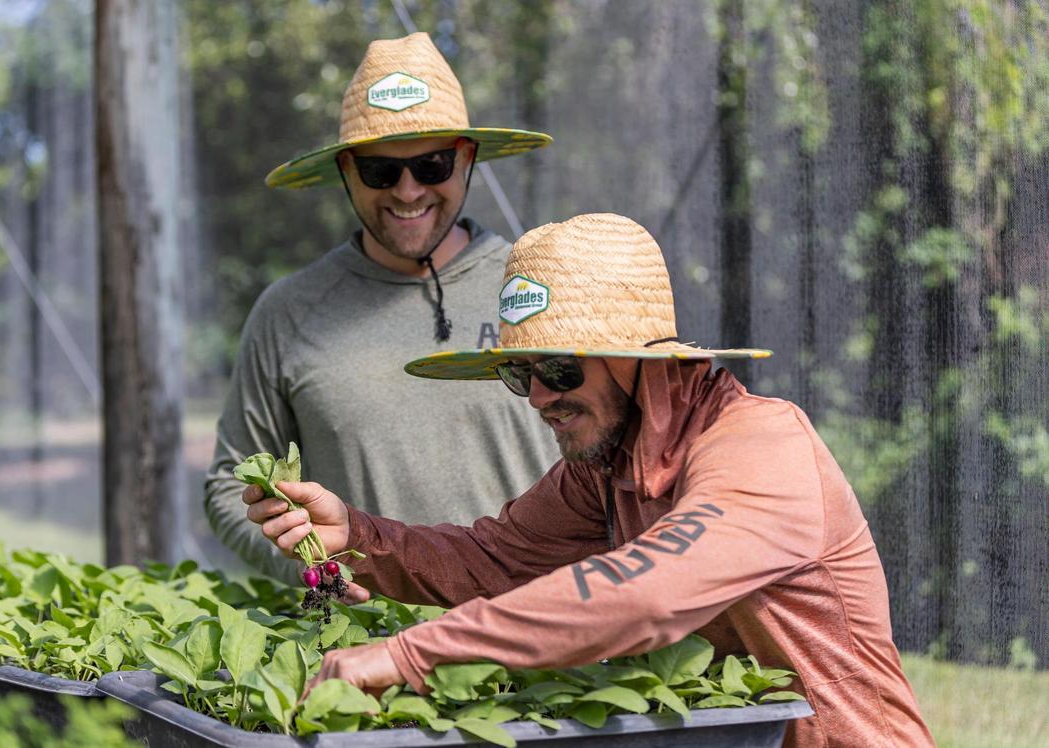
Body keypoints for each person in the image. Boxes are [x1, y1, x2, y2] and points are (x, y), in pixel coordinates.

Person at [244, 213, 936, 746]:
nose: (542, 397)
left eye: (562, 370)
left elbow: (642, 593)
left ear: (641, 362)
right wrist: (359, 535)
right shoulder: (610, 464)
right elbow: (494, 558)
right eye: (523, 374)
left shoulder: (761, 449)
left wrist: (409, 654)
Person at [205, 32, 559, 579]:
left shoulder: (543, 282)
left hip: (534, 635)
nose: (408, 190)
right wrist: (307, 565)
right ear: (347, 170)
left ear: (466, 158)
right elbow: (232, 482)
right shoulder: (289, 312)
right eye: (380, 171)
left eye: (432, 165)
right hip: (361, 640)